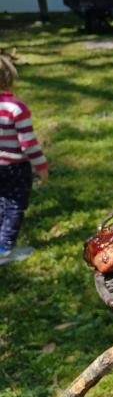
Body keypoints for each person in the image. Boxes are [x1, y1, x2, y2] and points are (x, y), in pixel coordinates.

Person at [0, 52, 48, 265]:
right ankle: (5, 248)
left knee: (2, 201)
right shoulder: (15, 109)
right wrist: (42, 167)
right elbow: (28, 144)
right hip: (16, 167)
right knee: (15, 205)